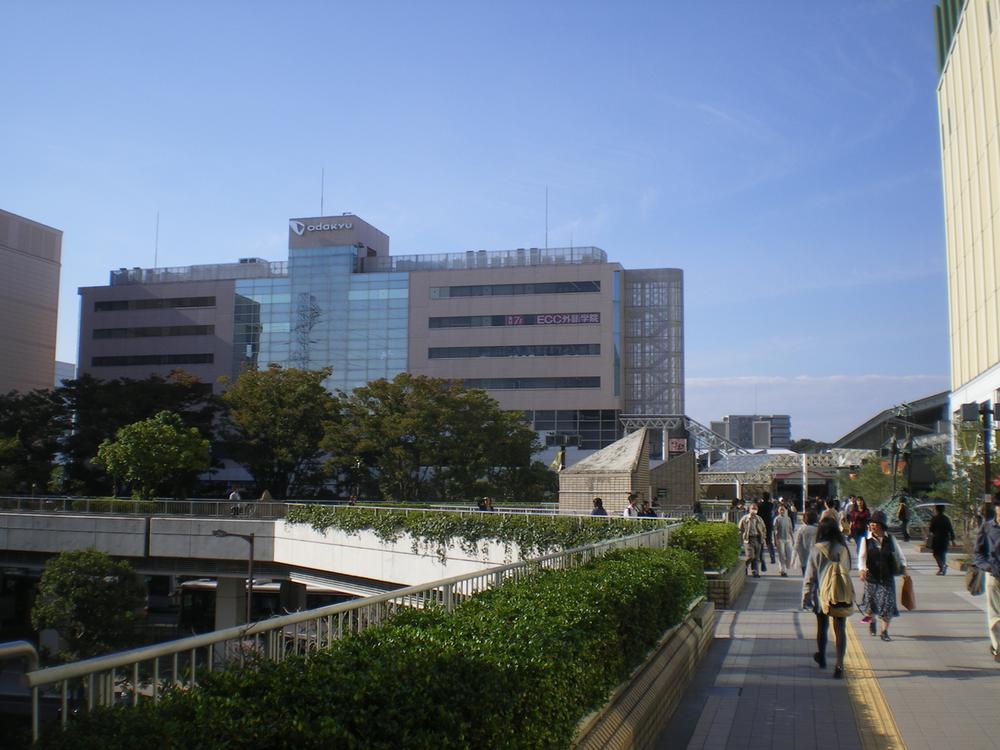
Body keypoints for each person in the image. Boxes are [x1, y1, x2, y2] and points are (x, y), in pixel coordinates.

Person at [802, 517, 852, 678]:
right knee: (840, 629)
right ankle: (839, 664)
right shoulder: (843, 549)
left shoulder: (817, 549)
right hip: (839, 593)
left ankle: (822, 657)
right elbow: (848, 569)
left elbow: (809, 576)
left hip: (821, 594)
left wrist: (806, 597)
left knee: (822, 626)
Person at [859, 510, 906, 641]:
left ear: (882, 525)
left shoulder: (890, 539)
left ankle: (884, 631)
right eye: (871, 523)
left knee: (887, 605)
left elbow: (899, 555)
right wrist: (862, 569)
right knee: (870, 606)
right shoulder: (866, 540)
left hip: (887, 577)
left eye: (875, 523)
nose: (873, 525)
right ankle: (872, 621)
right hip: (871, 577)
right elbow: (862, 557)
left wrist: (904, 567)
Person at [972, 495, 1000, 662]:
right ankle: (997, 647)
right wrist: (987, 566)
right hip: (994, 576)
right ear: (996, 509)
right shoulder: (988, 528)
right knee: (995, 615)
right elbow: (977, 553)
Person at [738, 503, 768, 577]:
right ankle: (744, 566)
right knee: (750, 556)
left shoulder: (759, 519)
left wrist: (763, 537)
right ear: (749, 509)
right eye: (753, 508)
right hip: (748, 539)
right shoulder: (745, 518)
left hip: (757, 538)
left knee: (756, 557)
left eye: (755, 509)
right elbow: (739, 528)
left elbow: (764, 529)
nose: (754, 510)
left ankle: (755, 572)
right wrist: (741, 537)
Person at [928, 504, 956, 575]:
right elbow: (951, 530)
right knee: (943, 554)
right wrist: (953, 540)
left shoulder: (934, 518)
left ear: (936, 510)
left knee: (936, 554)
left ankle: (942, 567)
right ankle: (943, 568)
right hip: (945, 539)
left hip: (937, 539)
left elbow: (931, 529)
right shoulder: (946, 518)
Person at [794, 509, 820, 575]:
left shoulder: (802, 529)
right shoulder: (820, 529)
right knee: (817, 579)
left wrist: (793, 558)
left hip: (804, 558)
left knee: (807, 579)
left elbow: (797, 544)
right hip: (817, 558)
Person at [773, 503, 795, 577]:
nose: (782, 511)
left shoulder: (788, 519)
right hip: (780, 539)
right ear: (778, 511)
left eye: (783, 509)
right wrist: (775, 540)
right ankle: (783, 570)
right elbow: (775, 531)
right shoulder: (777, 519)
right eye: (780, 510)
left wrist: (793, 538)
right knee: (781, 555)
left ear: (786, 510)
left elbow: (790, 529)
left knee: (789, 554)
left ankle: (786, 566)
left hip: (788, 539)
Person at [759, 492, 776, 564]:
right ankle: (772, 557)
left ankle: (760, 558)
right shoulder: (771, 505)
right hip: (769, 524)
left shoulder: (759, 505)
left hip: (761, 524)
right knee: (769, 541)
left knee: (761, 542)